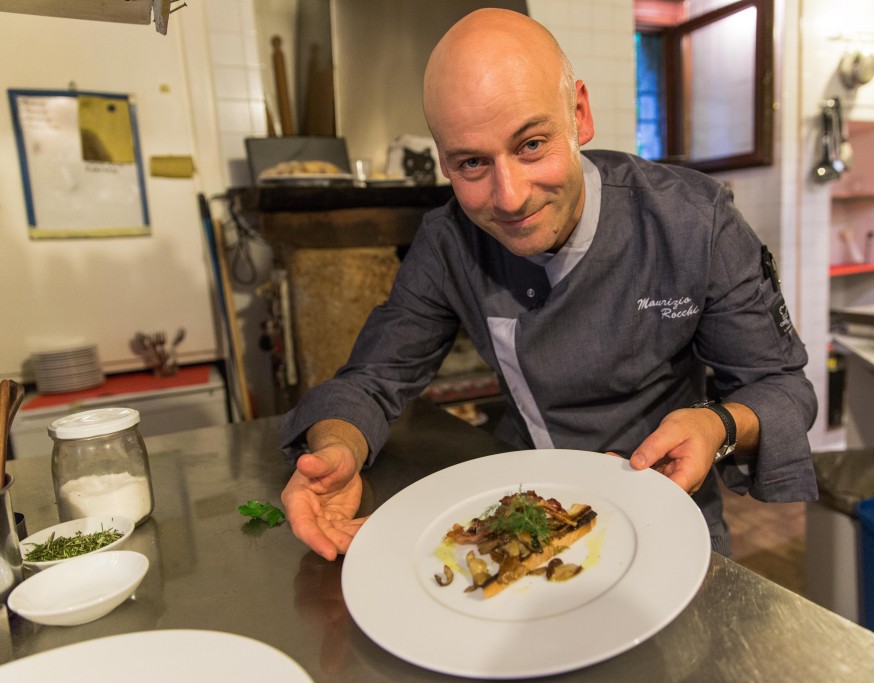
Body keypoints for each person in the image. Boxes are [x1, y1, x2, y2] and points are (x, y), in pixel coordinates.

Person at [279, 8, 818, 561]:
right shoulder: (448, 242)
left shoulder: (693, 221)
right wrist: (336, 450)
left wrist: (717, 425)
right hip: (526, 513)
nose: (509, 197)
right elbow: (371, 378)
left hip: (669, 513)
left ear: (579, 115)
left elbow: (781, 387)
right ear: (443, 161)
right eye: (471, 163)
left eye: (532, 144)